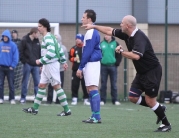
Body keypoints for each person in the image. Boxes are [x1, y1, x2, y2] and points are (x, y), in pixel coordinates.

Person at [82, 15, 171, 131]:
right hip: (142, 72)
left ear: (128, 26)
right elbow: (109, 30)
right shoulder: (126, 34)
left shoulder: (140, 37)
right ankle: (159, 107)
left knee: (150, 100)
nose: (120, 24)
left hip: (152, 72)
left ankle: (166, 124)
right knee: (133, 97)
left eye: (122, 23)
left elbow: (136, 56)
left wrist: (122, 52)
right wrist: (93, 26)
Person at [22, 18, 71, 116]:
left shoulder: (47, 38)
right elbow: (59, 50)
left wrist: (40, 61)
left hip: (51, 65)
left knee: (56, 86)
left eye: (40, 26)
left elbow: (52, 53)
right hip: (47, 65)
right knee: (42, 85)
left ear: (45, 27)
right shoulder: (52, 37)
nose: (38, 28)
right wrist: (63, 61)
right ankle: (35, 109)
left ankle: (67, 110)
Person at [76, 9, 102, 123]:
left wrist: (81, 67)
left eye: (83, 17)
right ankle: (94, 116)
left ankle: (96, 117)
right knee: (89, 89)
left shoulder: (91, 31)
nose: (82, 19)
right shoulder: (91, 31)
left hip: (92, 63)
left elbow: (88, 51)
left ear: (89, 19)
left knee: (92, 88)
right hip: (90, 63)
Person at [19, 27, 41, 103]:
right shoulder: (24, 40)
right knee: (25, 82)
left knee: (37, 82)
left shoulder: (37, 41)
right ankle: (23, 98)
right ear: (34, 33)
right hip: (27, 64)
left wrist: (40, 64)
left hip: (36, 65)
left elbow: (39, 53)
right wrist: (24, 61)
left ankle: (37, 99)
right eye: (38, 33)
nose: (38, 35)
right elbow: (20, 52)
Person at [100, 35, 122, 105]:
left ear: (111, 35)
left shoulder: (116, 43)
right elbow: (99, 54)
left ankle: (115, 100)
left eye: (107, 35)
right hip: (103, 66)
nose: (106, 36)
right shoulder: (101, 44)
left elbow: (119, 54)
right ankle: (102, 100)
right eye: (105, 35)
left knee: (114, 84)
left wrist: (117, 63)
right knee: (103, 84)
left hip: (113, 66)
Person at [46, 34, 68, 104]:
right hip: (52, 69)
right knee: (50, 84)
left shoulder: (63, 48)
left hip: (60, 70)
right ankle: (49, 100)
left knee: (59, 85)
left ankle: (59, 100)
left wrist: (60, 64)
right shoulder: (50, 47)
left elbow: (65, 58)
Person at [69, 33, 90, 105]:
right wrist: (73, 59)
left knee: (85, 85)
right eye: (76, 39)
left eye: (79, 39)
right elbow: (70, 57)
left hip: (85, 70)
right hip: (75, 69)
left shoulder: (86, 48)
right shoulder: (73, 48)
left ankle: (86, 99)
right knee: (75, 84)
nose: (77, 40)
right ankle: (74, 98)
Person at [0, 29, 19, 104]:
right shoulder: (0, 45)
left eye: (6, 37)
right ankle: (1, 98)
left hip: (10, 68)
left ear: (8, 37)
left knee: (11, 84)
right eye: (3, 36)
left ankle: (12, 99)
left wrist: (13, 65)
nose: (5, 38)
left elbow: (16, 56)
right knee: (0, 84)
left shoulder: (13, 45)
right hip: (1, 68)